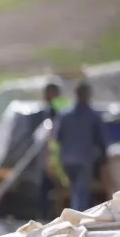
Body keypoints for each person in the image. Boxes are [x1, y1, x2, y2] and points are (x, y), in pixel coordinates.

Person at [54, 81, 109, 212]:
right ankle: (78, 219)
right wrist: (104, 158)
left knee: (74, 189)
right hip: (84, 159)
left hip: (66, 159)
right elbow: (101, 140)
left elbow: (57, 137)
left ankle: (75, 215)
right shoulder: (93, 116)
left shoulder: (64, 115)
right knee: (81, 192)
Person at [37, 81, 66, 219]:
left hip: (53, 156)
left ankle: (49, 216)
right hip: (51, 156)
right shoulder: (50, 110)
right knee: (47, 188)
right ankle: (46, 215)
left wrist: (50, 159)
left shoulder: (56, 111)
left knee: (52, 188)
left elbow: (53, 138)